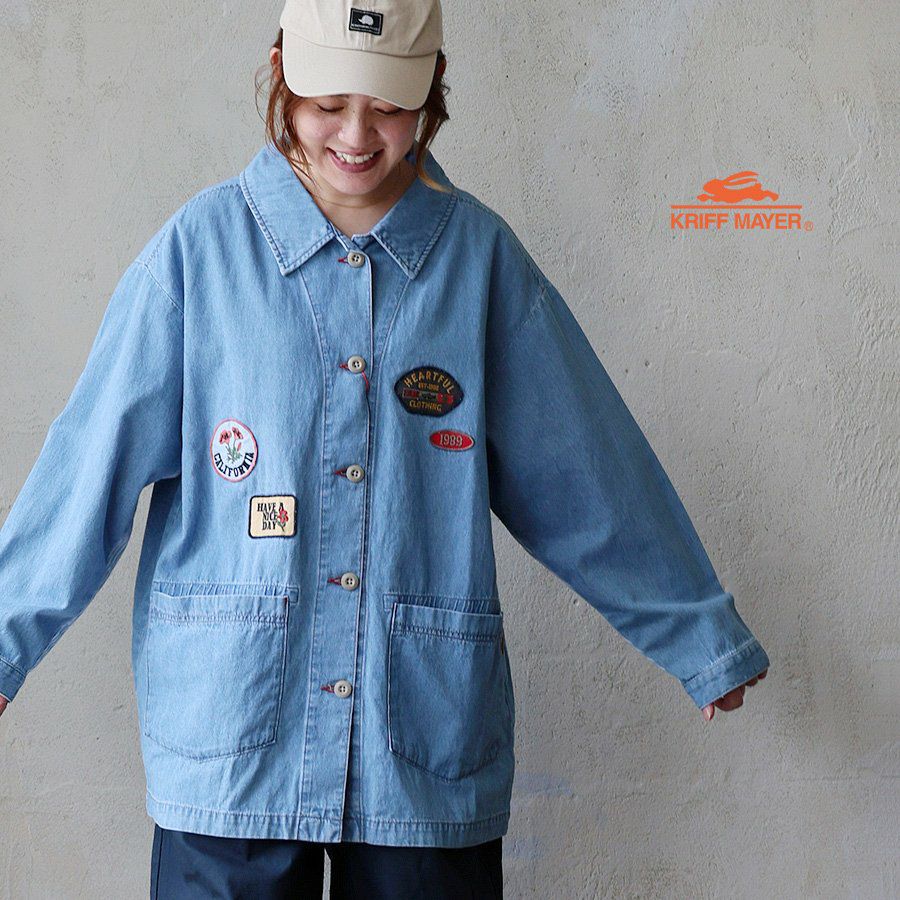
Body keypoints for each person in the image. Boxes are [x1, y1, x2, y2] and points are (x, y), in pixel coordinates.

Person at [0, 0, 770, 895]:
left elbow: (586, 469)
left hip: (421, 742)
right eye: (329, 103)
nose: (357, 136)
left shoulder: (478, 262)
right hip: (229, 735)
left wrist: (696, 634)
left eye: (390, 107)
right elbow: (88, 465)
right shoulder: (198, 255)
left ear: (433, 89)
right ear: (282, 76)